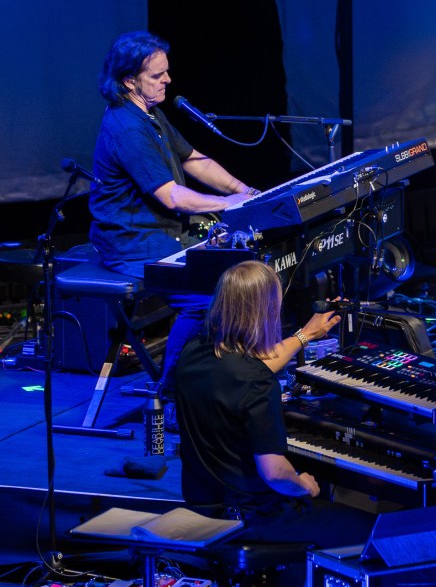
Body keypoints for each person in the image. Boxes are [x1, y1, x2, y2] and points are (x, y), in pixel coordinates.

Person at [89, 31, 256, 405]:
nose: (168, 80)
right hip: (133, 242)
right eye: (157, 75)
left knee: (237, 273)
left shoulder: (151, 115)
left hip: (162, 233)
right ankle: (171, 390)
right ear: (129, 80)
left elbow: (195, 160)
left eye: (167, 72)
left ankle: (217, 378)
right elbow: (172, 195)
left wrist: (246, 192)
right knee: (205, 296)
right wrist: (229, 205)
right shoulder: (127, 127)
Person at [175, 260, 375, 546]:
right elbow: (274, 473)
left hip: (203, 507)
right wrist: (301, 484)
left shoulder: (194, 351)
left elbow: (249, 368)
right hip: (254, 519)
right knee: (371, 531)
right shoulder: (259, 385)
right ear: (265, 312)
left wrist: (306, 334)